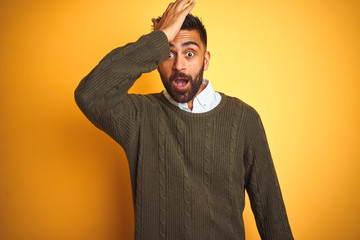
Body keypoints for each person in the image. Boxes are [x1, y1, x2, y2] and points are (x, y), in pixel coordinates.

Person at [74, 0, 294, 239]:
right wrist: (157, 39)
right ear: (157, 60)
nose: (179, 65)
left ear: (206, 60)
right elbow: (89, 94)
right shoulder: (139, 116)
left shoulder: (244, 119)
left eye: (190, 53)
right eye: (168, 53)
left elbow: (271, 213)